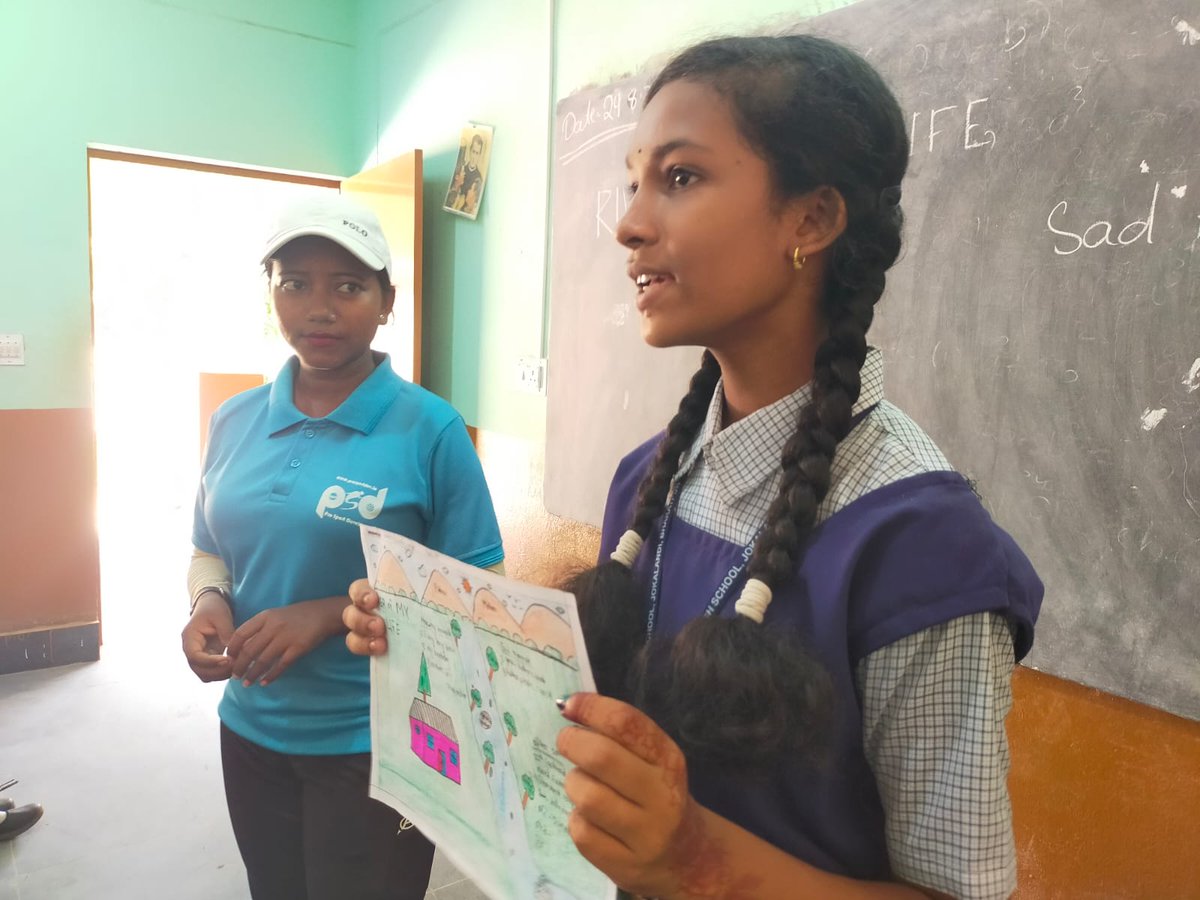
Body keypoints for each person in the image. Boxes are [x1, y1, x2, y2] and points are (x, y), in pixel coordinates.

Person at [347, 33, 1042, 900]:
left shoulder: (923, 546)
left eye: (680, 178)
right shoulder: (649, 479)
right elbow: (602, 731)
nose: (630, 222)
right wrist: (436, 644)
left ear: (813, 221)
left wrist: (697, 864)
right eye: (635, 179)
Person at [182, 193, 504, 900]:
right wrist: (209, 598)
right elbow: (210, 546)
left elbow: (478, 591)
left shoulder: (430, 430)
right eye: (295, 283)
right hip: (251, 729)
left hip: (379, 742)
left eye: (349, 286)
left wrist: (331, 612)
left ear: (387, 301)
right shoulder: (234, 420)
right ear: (272, 294)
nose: (319, 307)